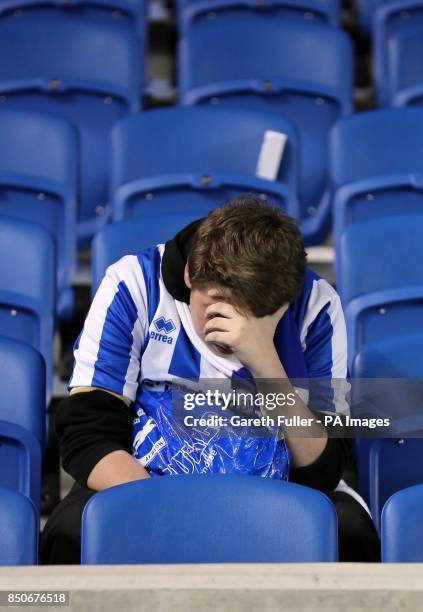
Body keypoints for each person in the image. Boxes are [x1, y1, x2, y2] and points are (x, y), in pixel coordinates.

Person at [40, 196, 380, 563]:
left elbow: (322, 471)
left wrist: (265, 361)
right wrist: (167, 510)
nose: (227, 332)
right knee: (72, 531)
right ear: (189, 274)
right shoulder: (132, 283)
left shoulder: (315, 304)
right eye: (216, 305)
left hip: (278, 486)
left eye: (256, 313)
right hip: (142, 479)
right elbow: (86, 434)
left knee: (348, 531)